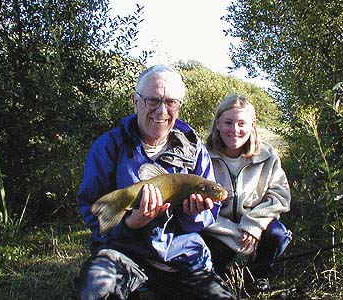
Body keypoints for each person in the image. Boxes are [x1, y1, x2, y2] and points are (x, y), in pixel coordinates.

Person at [76, 65, 236, 300]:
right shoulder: (108, 146)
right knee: (95, 292)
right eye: (153, 100)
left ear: (179, 106)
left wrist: (192, 215)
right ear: (136, 101)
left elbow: (204, 220)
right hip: (123, 250)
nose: (162, 111)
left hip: (181, 253)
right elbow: (92, 210)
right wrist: (131, 223)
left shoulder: (194, 150)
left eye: (171, 102)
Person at [202, 93, 292, 294]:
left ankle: (260, 276)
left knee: (278, 234)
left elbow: (280, 196)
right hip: (218, 230)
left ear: (252, 125)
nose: (235, 130)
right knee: (210, 265)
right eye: (228, 122)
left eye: (242, 123)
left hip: (257, 225)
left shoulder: (267, 155)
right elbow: (198, 209)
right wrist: (232, 233)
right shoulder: (203, 156)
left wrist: (253, 225)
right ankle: (223, 274)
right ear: (217, 124)